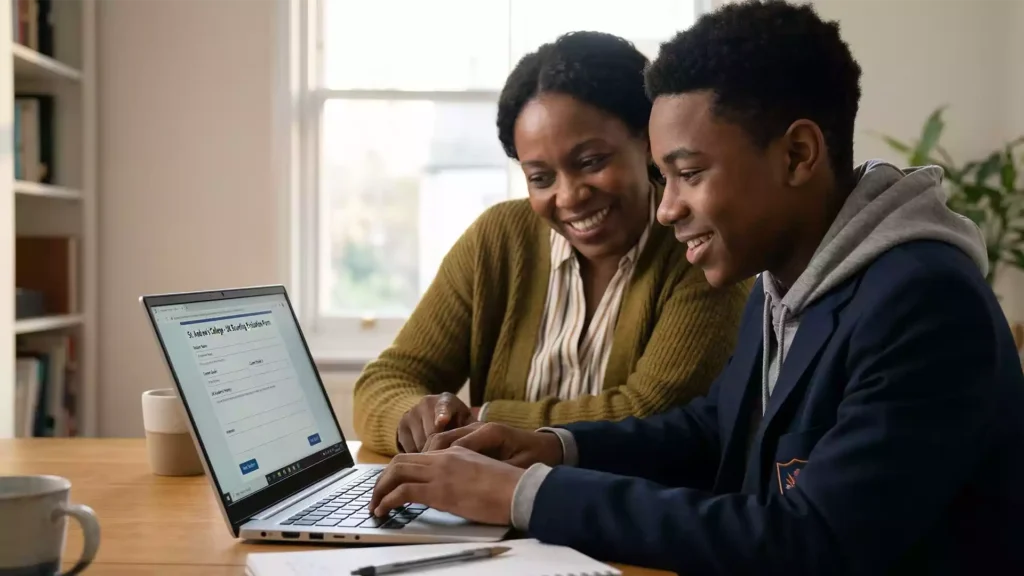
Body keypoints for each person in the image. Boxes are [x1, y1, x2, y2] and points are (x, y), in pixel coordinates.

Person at [366, 2, 1024, 574]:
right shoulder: (787, 275)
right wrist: (549, 447)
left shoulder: (923, 303)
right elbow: (714, 431)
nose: (666, 208)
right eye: (663, 177)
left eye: (688, 173)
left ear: (797, 155)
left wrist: (524, 495)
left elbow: (813, 540)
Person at [352, 31, 751, 456]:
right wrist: (418, 418)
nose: (569, 196)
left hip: (622, 516)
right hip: (486, 512)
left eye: (591, 162)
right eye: (540, 178)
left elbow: (648, 413)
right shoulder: (499, 239)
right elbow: (385, 380)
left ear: (647, 141)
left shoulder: (700, 249)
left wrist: (482, 421)